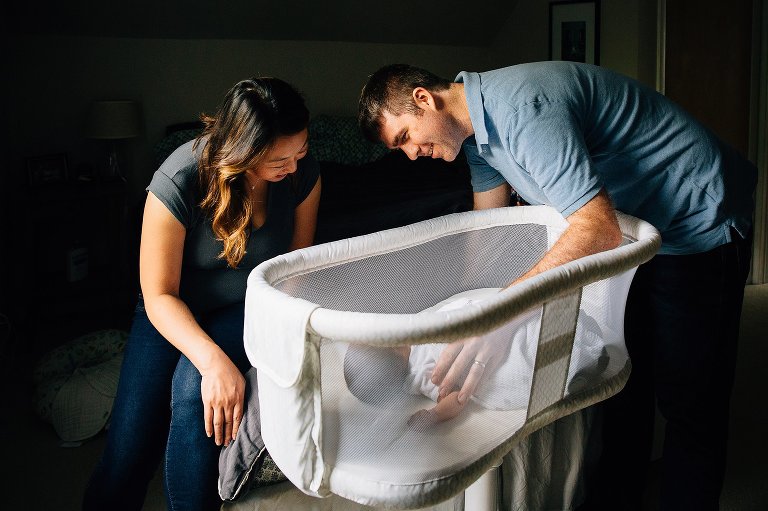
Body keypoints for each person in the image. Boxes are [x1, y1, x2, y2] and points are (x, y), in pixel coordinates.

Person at [358, 62, 756, 511]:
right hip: (636, 230)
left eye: (404, 138)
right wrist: (468, 302)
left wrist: (502, 317)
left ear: (423, 100)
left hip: (697, 217)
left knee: (690, 397)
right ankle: (615, 497)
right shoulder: (473, 139)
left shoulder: (523, 109)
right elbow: (487, 231)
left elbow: (597, 228)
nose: (411, 154)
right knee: (628, 377)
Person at [83, 77, 321, 511]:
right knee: (130, 445)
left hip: (249, 306)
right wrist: (213, 359)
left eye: (300, 151)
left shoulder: (303, 175)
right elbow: (158, 295)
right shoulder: (180, 177)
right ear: (244, 151)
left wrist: (272, 340)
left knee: (194, 394)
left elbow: (296, 269)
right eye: (279, 158)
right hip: (173, 309)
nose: (293, 165)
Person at [344, 288, 608, 429]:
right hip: (490, 358)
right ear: (388, 347)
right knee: (526, 345)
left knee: (529, 353)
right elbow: (457, 396)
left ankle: (578, 362)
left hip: (491, 350)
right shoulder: (421, 357)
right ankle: (582, 350)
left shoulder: (417, 376)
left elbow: (454, 398)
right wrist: (435, 415)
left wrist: (434, 414)